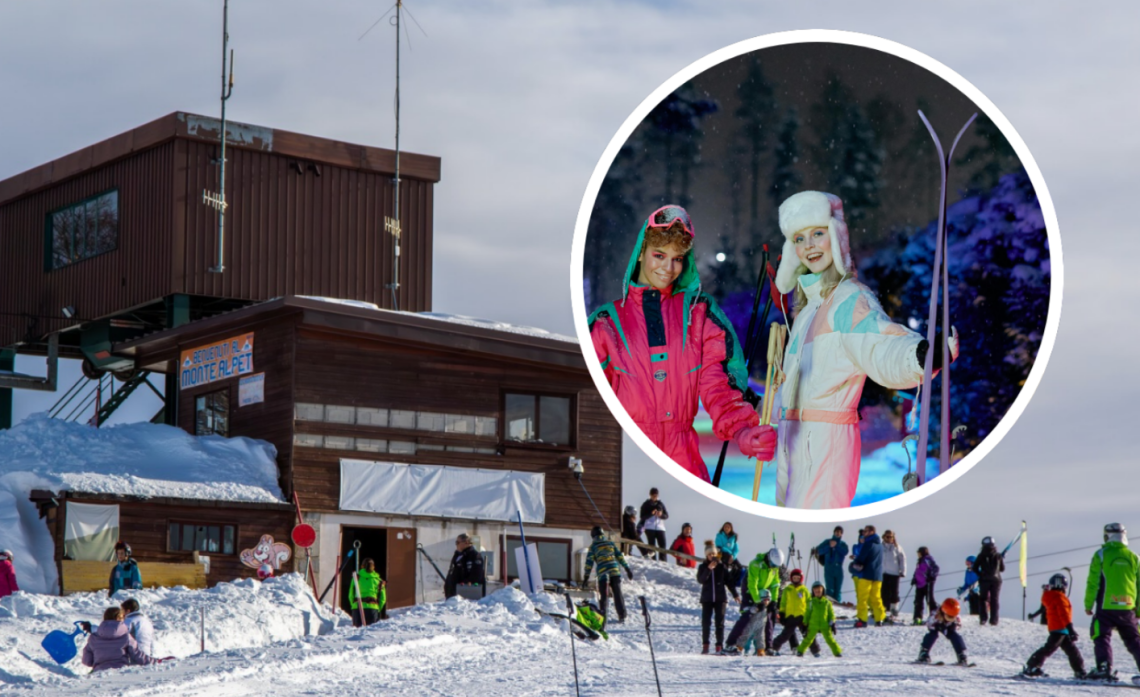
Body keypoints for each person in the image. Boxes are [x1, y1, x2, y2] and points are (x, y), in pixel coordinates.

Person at [771, 191, 959, 508]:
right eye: (800, 239)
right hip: (791, 440)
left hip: (824, 442)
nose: (810, 246)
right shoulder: (807, 310)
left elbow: (879, 343)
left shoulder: (849, 298)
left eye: (818, 233)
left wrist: (920, 356)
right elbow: (792, 382)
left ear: (836, 235)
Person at [588, 205, 776, 483]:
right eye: (659, 255)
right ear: (641, 252)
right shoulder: (606, 323)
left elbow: (718, 385)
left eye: (677, 258)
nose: (668, 267)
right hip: (626, 461)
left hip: (683, 462)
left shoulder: (699, 315)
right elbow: (589, 402)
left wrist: (744, 431)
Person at [1084, 523, 1140, 681]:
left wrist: (1088, 605)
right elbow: (1139, 585)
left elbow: (1093, 582)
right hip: (1128, 607)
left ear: (1107, 535)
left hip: (1106, 606)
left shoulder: (1101, 554)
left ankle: (1103, 668)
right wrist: (1139, 610)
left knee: (1101, 635)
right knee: (1134, 639)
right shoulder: (1134, 557)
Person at [1022, 574, 1086, 679]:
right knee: (1049, 648)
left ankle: (1080, 671)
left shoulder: (1052, 596)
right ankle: (1032, 666)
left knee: (1072, 651)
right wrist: (1070, 628)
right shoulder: (1059, 598)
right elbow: (1064, 614)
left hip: (1059, 628)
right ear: (1063, 586)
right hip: (1060, 628)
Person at [723, 547, 784, 655]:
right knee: (747, 616)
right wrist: (757, 601)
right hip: (750, 592)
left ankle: (768, 647)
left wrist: (774, 601)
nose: (773, 567)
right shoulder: (755, 564)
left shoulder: (774, 568)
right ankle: (730, 644)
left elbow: (775, 585)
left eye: (776, 566)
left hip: (764, 593)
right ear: (769, 558)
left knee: (769, 616)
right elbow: (752, 584)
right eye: (773, 565)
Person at [583, 526, 633, 626]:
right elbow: (619, 556)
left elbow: (589, 562)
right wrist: (627, 569)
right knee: (617, 593)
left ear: (593, 536)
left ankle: (603, 618)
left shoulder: (593, 546)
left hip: (603, 574)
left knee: (604, 596)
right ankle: (622, 615)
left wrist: (586, 577)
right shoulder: (610, 543)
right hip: (615, 572)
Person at [81, 607, 153, 671]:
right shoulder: (126, 637)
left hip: (99, 673)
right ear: (119, 618)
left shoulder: (93, 638)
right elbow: (138, 656)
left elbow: (86, 661)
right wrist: (156, 661)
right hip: (121, 672)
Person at [772, 568, 819, 656]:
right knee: (785, 634)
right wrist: (782, 613)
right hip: (791, 616)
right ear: (791, 578)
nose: (796, 580)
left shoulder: (804, 590)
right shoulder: (787, 589)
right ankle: (774, 647)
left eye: (798, 578)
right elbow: (783, 603)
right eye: (794, 578)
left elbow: (809, 602)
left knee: (808, 634)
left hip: (802, 616)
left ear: (801, 579)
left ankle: (815, 651)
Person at [697, 540, 731, 654]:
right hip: (707, 599)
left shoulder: (721, 566)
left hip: (720, 599)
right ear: (706, 555)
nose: (712, 556)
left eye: (713, 554)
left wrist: (735, 594)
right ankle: (705, 645)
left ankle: (719, 645)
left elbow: (729, 581)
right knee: (706, 622)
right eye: (710, 554)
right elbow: (701, 580)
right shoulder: (702, 567)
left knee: (719, 623)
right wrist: (708, 569)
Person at [915, 598, 969, 666]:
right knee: (933, 635)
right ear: (944, 612)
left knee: (954, 635)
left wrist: (954, 626)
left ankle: (961, 654)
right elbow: (929, 623)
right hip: (937, 625)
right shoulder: (936, 614)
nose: (950, 619)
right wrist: (936, 626)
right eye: (949, 617)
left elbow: (959, 623)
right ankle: (923, 652)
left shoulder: (955, 615)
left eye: (952, 617)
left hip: (949, 628)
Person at [851, 525, 886, 628]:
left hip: (866, 574)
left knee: (862, 598)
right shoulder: (880, 545)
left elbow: (862, 558)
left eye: (866, 531)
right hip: (878, 575)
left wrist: (855, 563)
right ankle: (879, 619)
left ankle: (862, 620)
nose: (864, 533)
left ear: (871, 532)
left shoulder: (868, 543)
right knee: (876, 598)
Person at [797, 581, 842, 658]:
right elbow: (807, 614)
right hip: (813, 624)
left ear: (823, 591)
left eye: (819, 590)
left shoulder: (827, 603)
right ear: (813, 591)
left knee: (829, 639)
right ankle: (800, 651)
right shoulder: (811, 602)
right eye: (815, 590)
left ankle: (837, 652)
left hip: (825, 625)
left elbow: (831, 615)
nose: (817, 592)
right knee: (808, 639)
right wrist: (804, 623)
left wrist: (832, 624)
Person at [974, 536, 1006, 625]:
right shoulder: (998, 555)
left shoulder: (981, 555)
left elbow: (974, 567)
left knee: (983, 599)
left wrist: (981, 574)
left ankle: (983, 618)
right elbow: (1002, 569)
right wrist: (1001, 560)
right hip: (996, 580)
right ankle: (994, 620)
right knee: (994, 599)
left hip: (984, 580)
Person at [444, 533, 485, 599]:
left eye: (457, 542)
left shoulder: (475, 556)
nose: (456, 545)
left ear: (466, 542)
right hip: (453, 594)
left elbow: (476, 575)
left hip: (466, 595)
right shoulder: (457, 555)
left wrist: (465, 583)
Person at [350, 557, 387, 627]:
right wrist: (378, 608)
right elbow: (383, 598)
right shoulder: (379, 581)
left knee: (356, 634)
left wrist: (353, 605)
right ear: (373, 567)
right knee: (370, 633)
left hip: (357, 608)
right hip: (372, 609)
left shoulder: (356, 578)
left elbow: (350, 594)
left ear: (362, 566)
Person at [817, 526, 848, 603]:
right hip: (829, 568)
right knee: (829, 588)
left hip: (838, 569)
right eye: (836, 531)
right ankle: (829, 602)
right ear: (834, 532)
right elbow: (818, 550)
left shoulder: (843, 544)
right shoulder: (827, 542)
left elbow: (845, 552)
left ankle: (837, 603)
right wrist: (829, 546)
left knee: (838, 589)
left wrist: (836, 546)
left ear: (841, 534)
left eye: (839, 532)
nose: (837, 533)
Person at [881, 530, 907, 622]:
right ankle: (884, 610)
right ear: (884, 537)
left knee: (894, 592)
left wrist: (903, 571)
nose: (889, 538)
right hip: (883, 573)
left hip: (894, 573)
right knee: (884, 592)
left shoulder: (897, 547)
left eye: (890, 537)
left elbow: (902, 558)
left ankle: (894, 610)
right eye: (887, 537)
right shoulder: (880, 547)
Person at [639, 488, 669, 561]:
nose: (655, 496)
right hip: (649, 527)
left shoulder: (661, 504)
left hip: (660, 527)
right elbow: (642, 516)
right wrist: (651, 513)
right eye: (653, 495)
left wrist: (661, 515)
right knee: (651, 545)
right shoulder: (646, 504)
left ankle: (663, 561)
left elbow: (666, 516)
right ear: (650, 495)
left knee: (662, 545)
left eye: (656, 495)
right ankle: (653, 560)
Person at [911, 546, 939, 624]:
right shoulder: (920, 560)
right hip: (919, 584)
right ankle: (917, 618)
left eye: (918, 553)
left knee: (930, 600)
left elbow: (936, 568)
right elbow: (918, 571)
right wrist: (914, 578)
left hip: (927, 583)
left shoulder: (928, 559)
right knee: (918, 601)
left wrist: (931, 576)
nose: (918, 554)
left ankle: (934, 617)